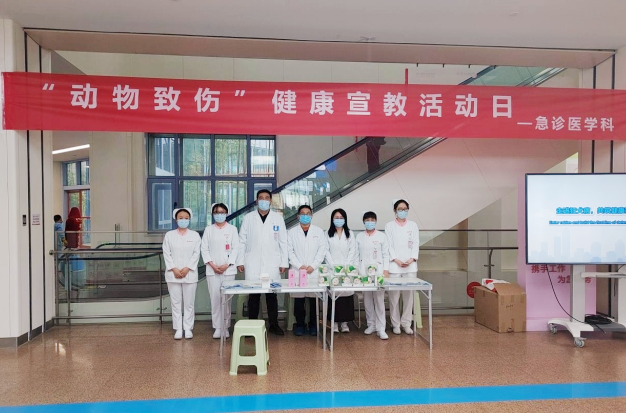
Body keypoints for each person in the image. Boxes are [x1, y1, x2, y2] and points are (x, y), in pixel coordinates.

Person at [237, 189, 288, 335]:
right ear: (256, 201)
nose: (264, 200)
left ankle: (274, 325)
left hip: (272, 263)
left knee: (271, 295)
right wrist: (240, 261)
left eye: (266, 198)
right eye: (261, 198)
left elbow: (283, 241)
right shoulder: (248, 218)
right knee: (253, 295)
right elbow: (242, 241)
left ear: (270, 201)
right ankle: (252, 325)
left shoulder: (278, 218)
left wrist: (283, 262)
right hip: (252, 262)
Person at [287, 205, 328, 336]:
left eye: (308, 213)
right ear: (298, 216)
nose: (305, 216)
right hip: (297, 270)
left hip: (313, 271)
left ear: (312, 216)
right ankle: (299, 324)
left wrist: (313, 266)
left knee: (314, 300)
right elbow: (289, 251)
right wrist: (299, 265)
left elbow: (322, 251)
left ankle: (313, 324)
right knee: (299, 300)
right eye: (303, 213)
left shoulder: (318, 232)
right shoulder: (291, 232)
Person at [162, 208, 201, 340]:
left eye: (186, 218)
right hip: (173, 274)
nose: (183, 220)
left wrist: (187, 268)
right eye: (181, 218)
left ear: (190, 219)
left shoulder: (195, 236)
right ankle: (178, 328)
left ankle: (188, 328)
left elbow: (196, 254)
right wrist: (174, 269)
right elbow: (166, 253)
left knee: (189, 303)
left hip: (189, 274)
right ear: (176, 219)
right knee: (176, 303)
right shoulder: (169, 235)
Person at [201, 203, 239, 340]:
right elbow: (204, 249)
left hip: (228, 270)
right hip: (212, 270)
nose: (219, 214)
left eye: (222, 212)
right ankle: (217, 327)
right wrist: (212, 265)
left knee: (226, 299)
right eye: (216, 212)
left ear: (226, 213)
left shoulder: (233, 229)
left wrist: (227, 264)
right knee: (215, 299)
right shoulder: (208, 230)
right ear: (213, 214)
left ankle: (226, 327)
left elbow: (236, 248)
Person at [385, 199, 420, 335]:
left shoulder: (413, 225)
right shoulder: (389, 226)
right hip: (395, 265)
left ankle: (406, 324)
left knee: (409, 296)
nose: (403, 211)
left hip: (410, 266)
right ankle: (395, 324)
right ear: (395, 211)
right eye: (400, 209)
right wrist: (396, 260)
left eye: (405, 209)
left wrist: (411, 259)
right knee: (394, 297)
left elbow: (416, 243)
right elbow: (388, 245)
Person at [356, 211, 390, 340]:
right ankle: (371, 325)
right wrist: (357, 271)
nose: (369, 222)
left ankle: (381, 328)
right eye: (367, 220)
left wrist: (386, 270)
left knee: (379, 301)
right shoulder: (359, 237)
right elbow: (356, 255)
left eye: (372, 220)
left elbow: (386, 254)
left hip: (379, 273)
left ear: (376, 221)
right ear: (364, 222)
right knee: (367, 300)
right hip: (363, 273)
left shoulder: (382, 236)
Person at [325, 208, 356, 333]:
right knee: (333, 297)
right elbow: (326, 251)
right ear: (332, 219)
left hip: (347, 270)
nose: (339, 220)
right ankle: (334, 323)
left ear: (345, 219)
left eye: (341, 218)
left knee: (345, 297)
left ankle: (344, 323)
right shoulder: (327, 233)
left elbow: (352, 250)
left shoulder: (350, 233)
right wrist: (333, 266)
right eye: (336, 218)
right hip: (332, 269)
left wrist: (346, 266)